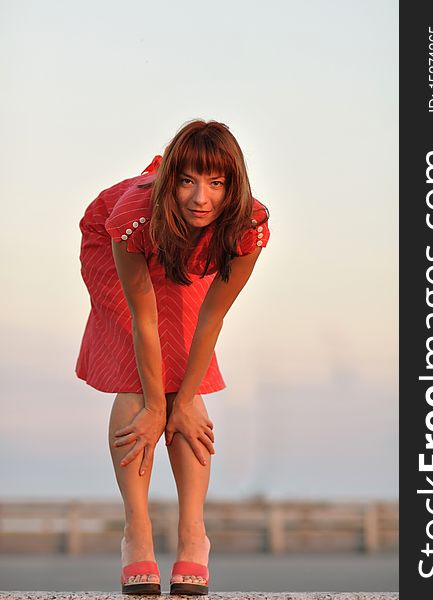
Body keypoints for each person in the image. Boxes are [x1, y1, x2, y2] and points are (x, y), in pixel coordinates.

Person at [75, 119, 271, 595]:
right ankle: (136, 533)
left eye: (216, 183)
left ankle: (192, 534)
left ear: (233, 186)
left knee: (185, 371)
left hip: (193, 243)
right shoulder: (130, 217)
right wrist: (157, 406)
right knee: (135, 372)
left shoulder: (248, 226)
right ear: (172, 181)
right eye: (188, 180)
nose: (200, 198)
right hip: (120, 239)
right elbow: (143, 321)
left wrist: (181, 403)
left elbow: (211, 319)